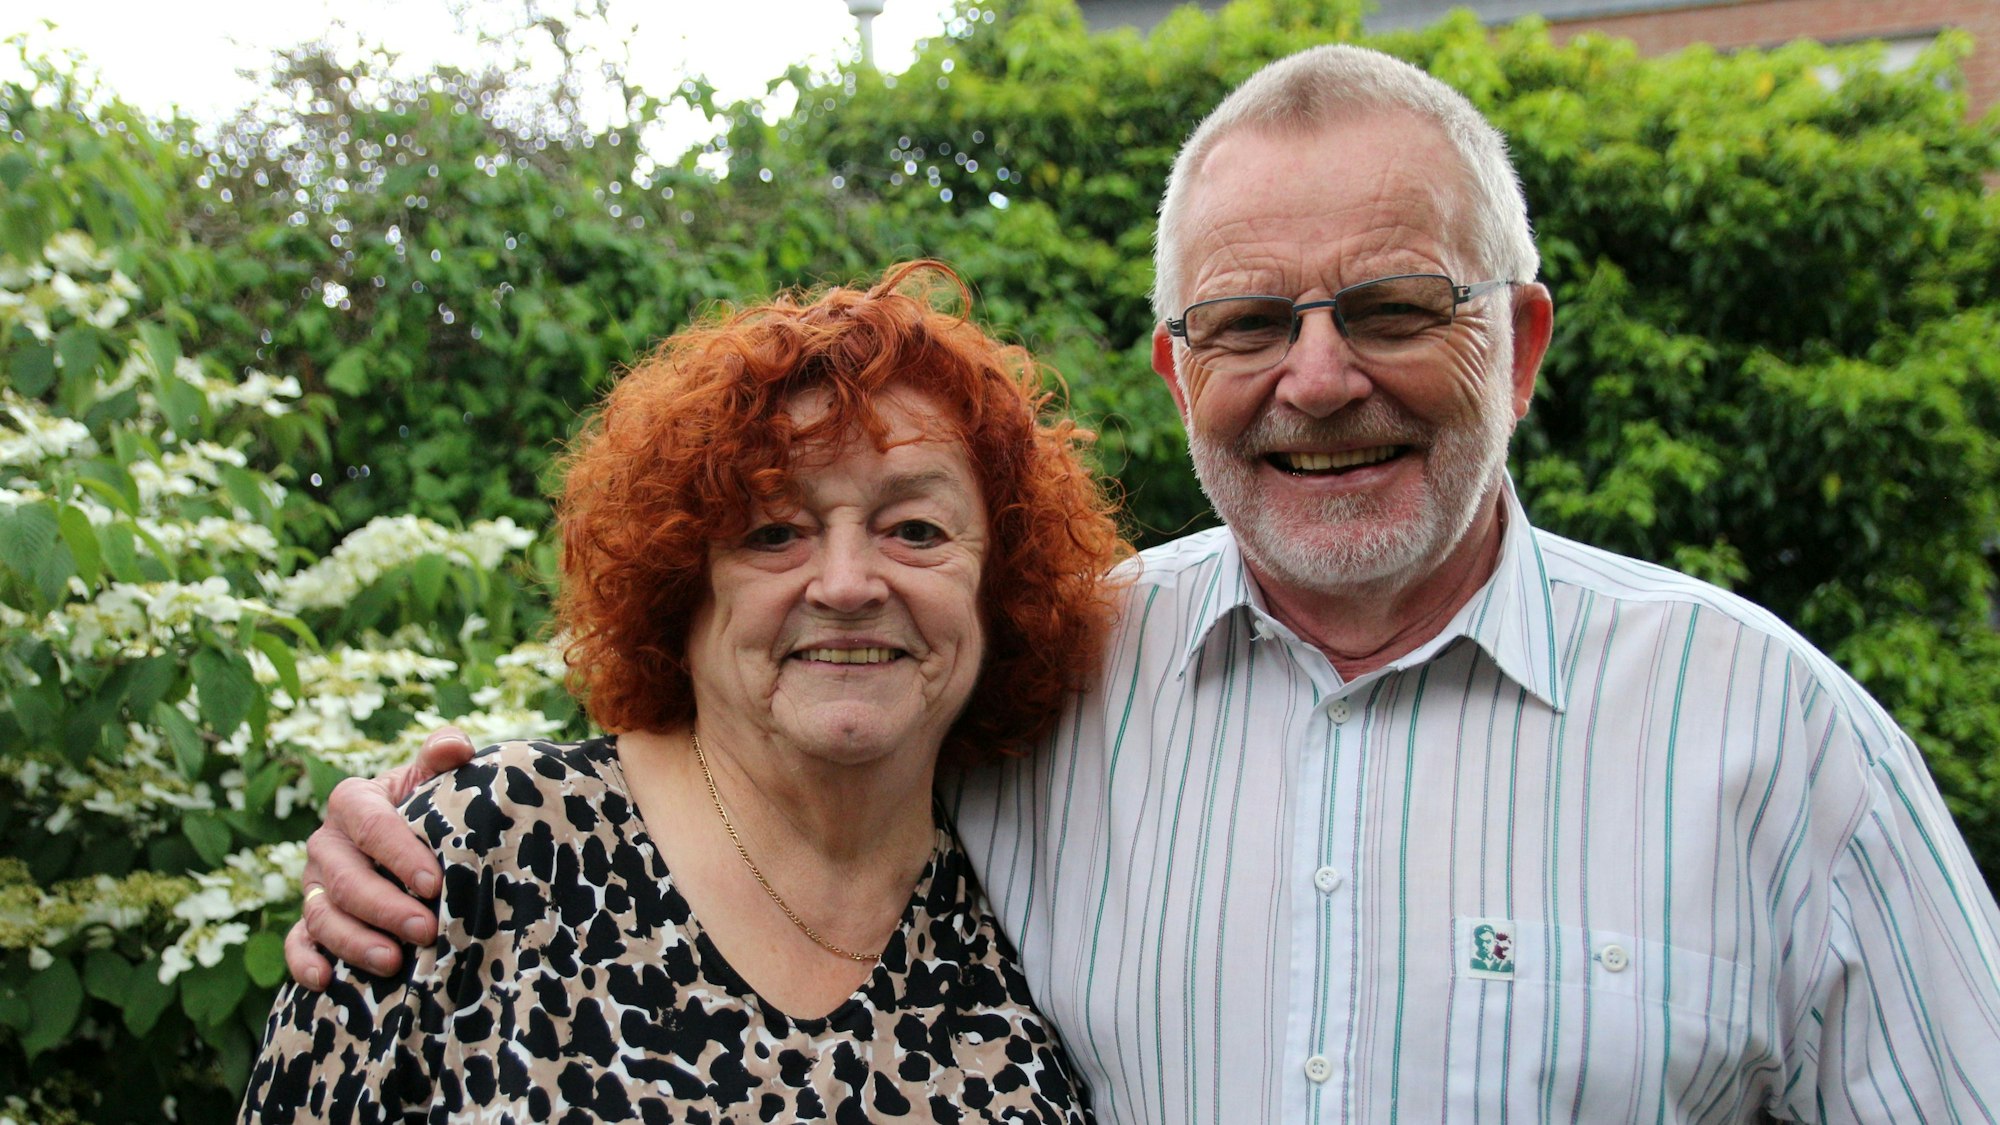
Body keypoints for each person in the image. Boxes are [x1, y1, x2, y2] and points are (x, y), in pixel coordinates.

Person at [290, 45, 2000, 1122]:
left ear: (1523, 343)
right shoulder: (1045, 682)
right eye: (1250, 323)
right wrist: (432, 824)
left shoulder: (1777, 742)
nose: (1319, 379)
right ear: (1181, 375)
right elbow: (760, 751)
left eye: (1394, 308)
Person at [243, 261, 1125, 1122]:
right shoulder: (483, 856)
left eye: (917, 529)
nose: (847, 584)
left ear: (997, 586)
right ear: (681, 586)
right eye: (774, 531)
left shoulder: (1040, 917)